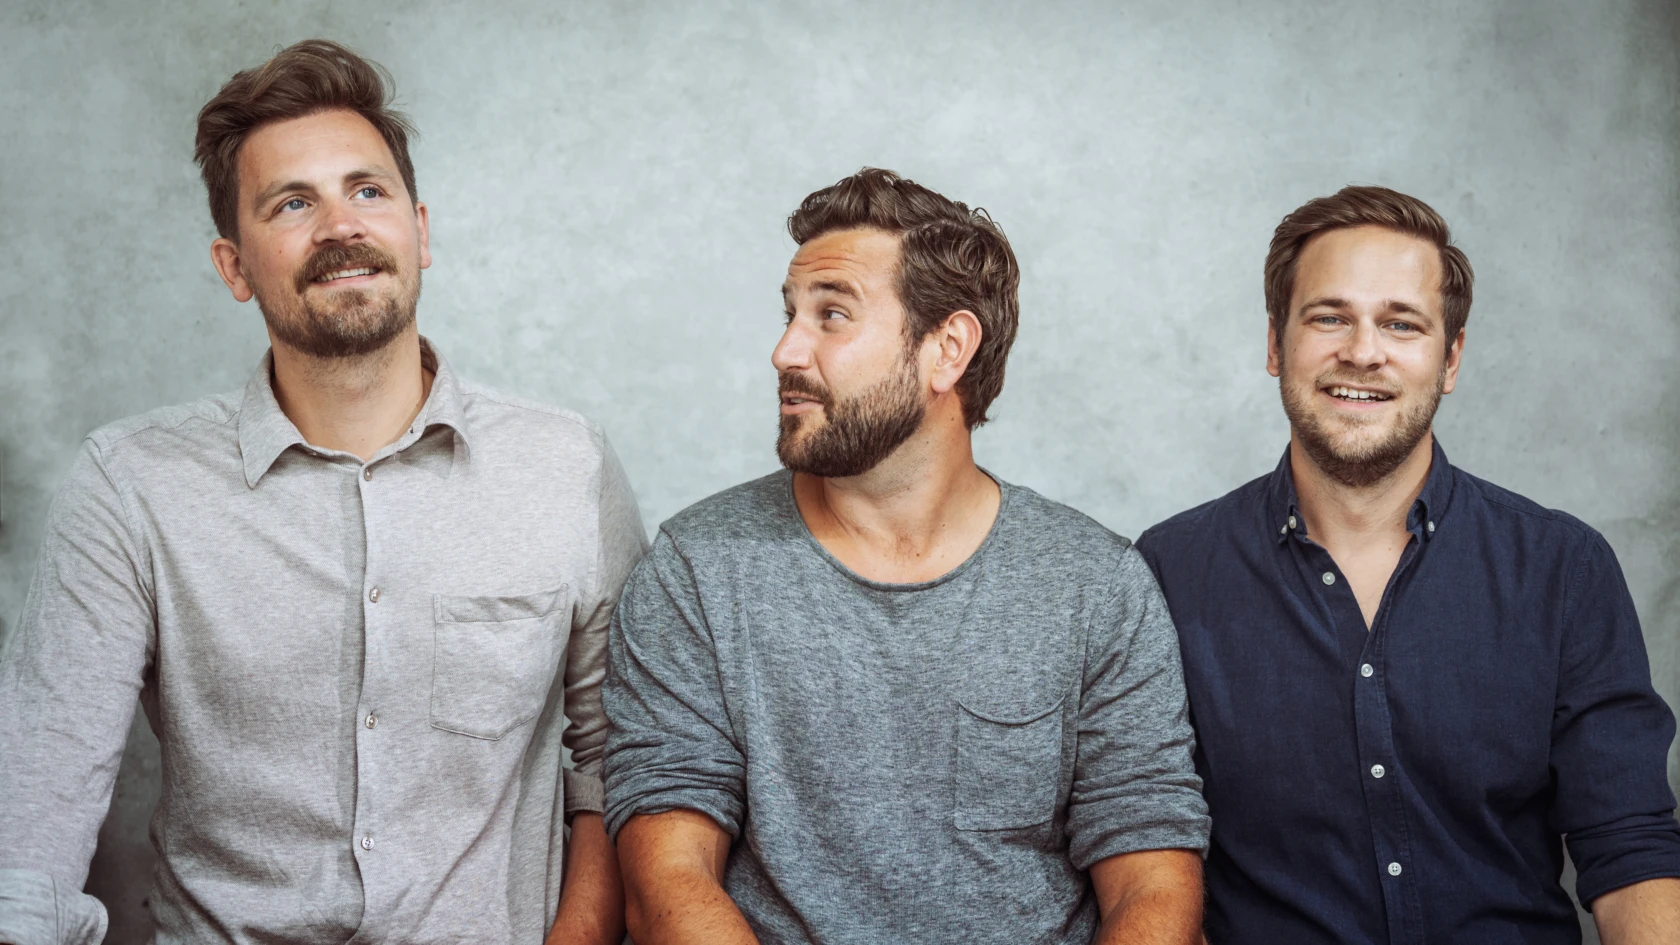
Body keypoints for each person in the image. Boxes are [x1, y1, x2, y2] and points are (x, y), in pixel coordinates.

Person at [0, 40, 643, 945]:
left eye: (367, 191)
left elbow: (623, 761)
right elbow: (38, 798)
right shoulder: (130, 485)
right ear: (233, 266)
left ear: (420, 230)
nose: (342, 226)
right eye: (293, 203)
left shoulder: (565, 465)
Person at [602, 168, 1210, 945]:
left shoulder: (1097, 585)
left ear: (946, 350)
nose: (785, 350)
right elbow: (666, 881)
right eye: (791, 314)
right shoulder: (697, 570)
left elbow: (1153, 884)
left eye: (832, 315)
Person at [1135, 185, 1680, 944]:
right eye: (1329, 317)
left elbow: (1629, 845)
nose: (1363, 352)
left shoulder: (1563, 570)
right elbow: (1146, 849)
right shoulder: (1166, 572)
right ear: (1275, 344)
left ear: (1450, 358)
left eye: (1401, 323)